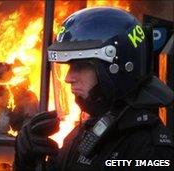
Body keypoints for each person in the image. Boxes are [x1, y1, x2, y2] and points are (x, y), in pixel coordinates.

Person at [14, 7, 174, 171]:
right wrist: (26, 162)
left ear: (117, 68)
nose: (68, 78)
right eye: (69, 67)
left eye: (80, 66)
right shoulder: (84, 132)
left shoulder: (149, 150)